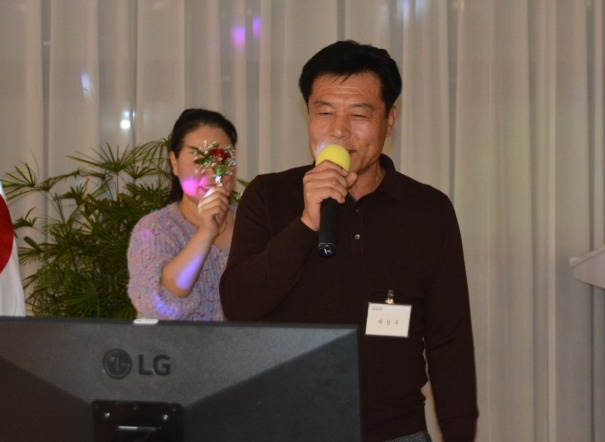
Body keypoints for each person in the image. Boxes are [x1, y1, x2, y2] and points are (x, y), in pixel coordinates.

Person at [220, 40, 478, 442]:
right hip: (283, 428)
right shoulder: (269, 195)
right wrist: (307, 221)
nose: (338, 130)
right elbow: (239, 305)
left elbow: (450, 339)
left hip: (396, 431)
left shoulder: (428, 210)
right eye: (324, 112)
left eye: (358, 114)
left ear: (389, 121)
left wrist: (460, 434)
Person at [127, 108, 239, 321]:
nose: (212, 171)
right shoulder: (154, 229)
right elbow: (158, 303)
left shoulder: (255, 221)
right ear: (175, 163)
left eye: (222, 158)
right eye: (199, 159)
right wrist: (206, 233)